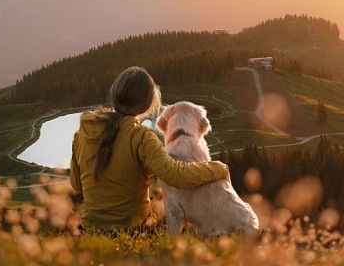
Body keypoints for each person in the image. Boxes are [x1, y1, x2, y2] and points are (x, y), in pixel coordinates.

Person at [69, 66, 230, 229]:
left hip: (88, 229)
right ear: (148, 103)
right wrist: (218, 168)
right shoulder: (141, 137)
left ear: (115, 94)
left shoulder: (82, 133)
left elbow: (77, 185)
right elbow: (175, 175)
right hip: (132, 228)